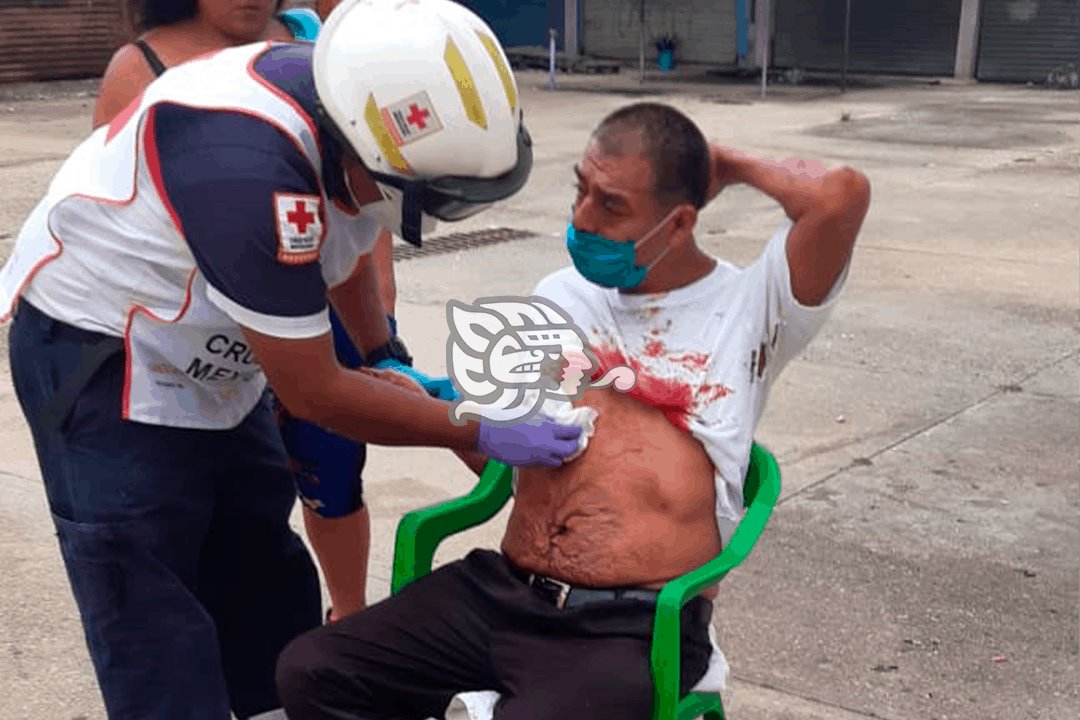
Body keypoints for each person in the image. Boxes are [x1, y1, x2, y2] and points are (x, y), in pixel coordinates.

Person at [0, 1, 583, 719]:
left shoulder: (344, 114)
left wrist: (384, 354)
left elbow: (344, 247)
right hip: (104, 348)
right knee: (147, 586)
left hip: (210, 343)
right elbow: (315, 394)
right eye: (435, 200)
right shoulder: (241, 163)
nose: (433, 216)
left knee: (258, 560)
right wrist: (468, 427)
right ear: (358, 146)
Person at [273, 101, 871, 720]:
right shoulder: (559, 296)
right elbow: (503, 468)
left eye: (611, 205)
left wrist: (725, 163)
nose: (582, 220)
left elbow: (842, 196)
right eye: (581, 192)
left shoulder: (753, 309)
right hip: (502, 593)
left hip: (629, 625)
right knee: (315, 672)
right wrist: (442, 413)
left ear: (678, 223)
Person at [95, 0, 400, 623]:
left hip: (323, 294)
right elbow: (118, 221)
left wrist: (381, 334)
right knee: (213, 495)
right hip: (213, 327)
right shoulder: (141, 67)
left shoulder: (318, 39)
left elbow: (371, 195)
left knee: (332, 466)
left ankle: (348, 616)